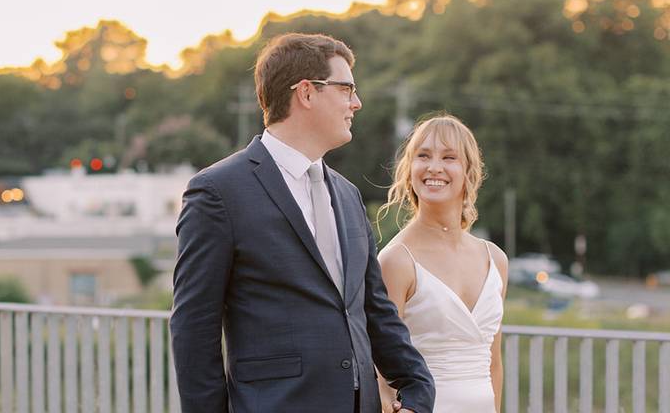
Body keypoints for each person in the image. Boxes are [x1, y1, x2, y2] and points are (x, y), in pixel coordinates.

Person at [170, 33, 435, 413]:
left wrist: (416, 390)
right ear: (307, 93)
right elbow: (194, 328)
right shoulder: (218, 192)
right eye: (347, 89)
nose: (356, 103)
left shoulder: (347, 195)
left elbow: (374, 310)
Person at [377, 114, 508, 413]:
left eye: (449, 157)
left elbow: (493, 363)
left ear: (468, 171)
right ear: (410, 168)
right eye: (423, 156)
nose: (434, 167)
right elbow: (380, 367)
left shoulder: (496, 259)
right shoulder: (396, 260)